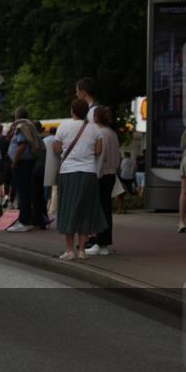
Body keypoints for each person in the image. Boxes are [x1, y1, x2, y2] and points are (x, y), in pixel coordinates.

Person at [53, 98, 105, 260]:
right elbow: (98, 150)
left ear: (72, 111)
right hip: (89, 173)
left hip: (68, 173)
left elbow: (56, 148)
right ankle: (82, 250)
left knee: (68, 210)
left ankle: (69, 250)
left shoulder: (63, 126)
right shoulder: (95, 129)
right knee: (86, 212)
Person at [86, 106, 120, 255]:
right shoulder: (112, 133)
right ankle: (104, 243)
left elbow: (100, 157)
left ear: (95, 118)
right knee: (106, 209)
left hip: (100, 175)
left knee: (98, 210)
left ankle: (99, 242)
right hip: (111, 174)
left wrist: (95, 175)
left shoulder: (99, 134)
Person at [5, 108, 44, 232]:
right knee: (26, 192)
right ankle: (28, 220)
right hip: (27, 163)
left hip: (22, 163)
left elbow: (22, 145)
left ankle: (24, 221)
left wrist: (15, 162)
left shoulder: (22, 127)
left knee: (23, 193)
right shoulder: (28, 125)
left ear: (17, 116)